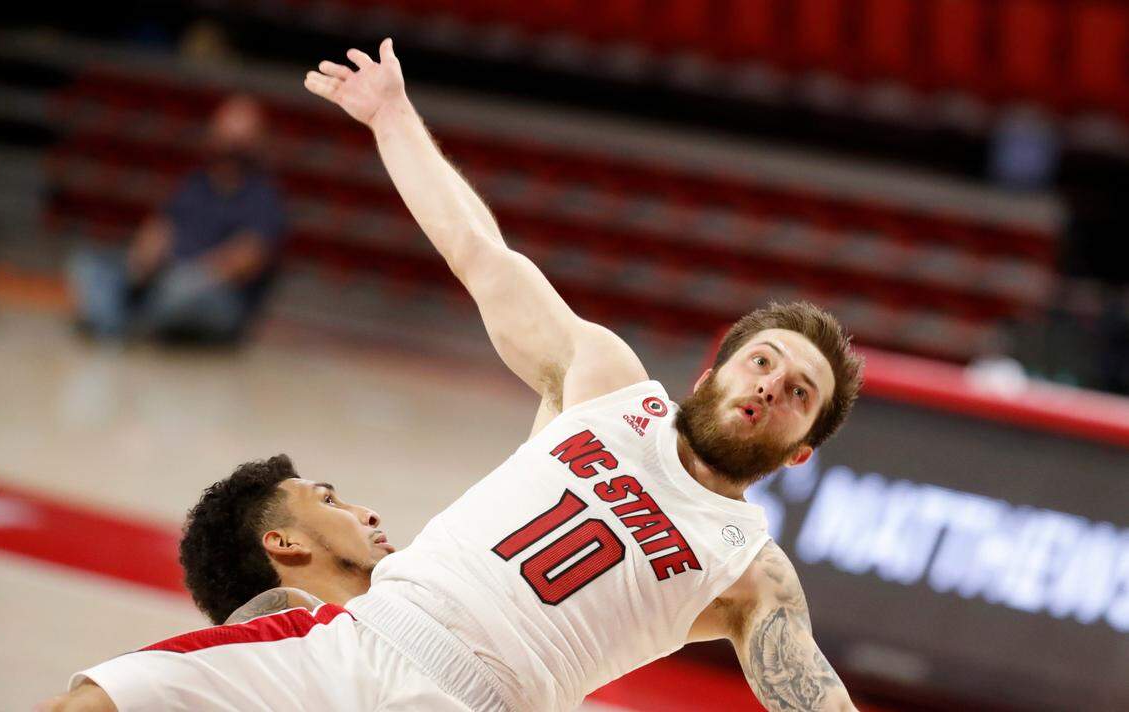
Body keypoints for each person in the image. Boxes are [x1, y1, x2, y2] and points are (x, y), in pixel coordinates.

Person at [46, 38, 864, 712]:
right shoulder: (610, 383)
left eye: (801, 394)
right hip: (359, 639)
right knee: (99, 697)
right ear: (716, 366)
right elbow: (480, 254)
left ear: (802, 451)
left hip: (481, 701)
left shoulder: (749, 567)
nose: (771, 386)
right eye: (764, 361)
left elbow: (817, 696)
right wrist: (393, 118)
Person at [67, 94, 286, 344]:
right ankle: (119, 321)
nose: (231, 144)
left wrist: (193, 275)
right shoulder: (196, 184)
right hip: (167, 277)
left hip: (216, 294)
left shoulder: (264, 197)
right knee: (89, 265)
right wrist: (143, 261)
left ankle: (118, 320)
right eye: (226, 134)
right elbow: (162, 225)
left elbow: (248, 257)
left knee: (180, 291)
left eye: (239, 137)